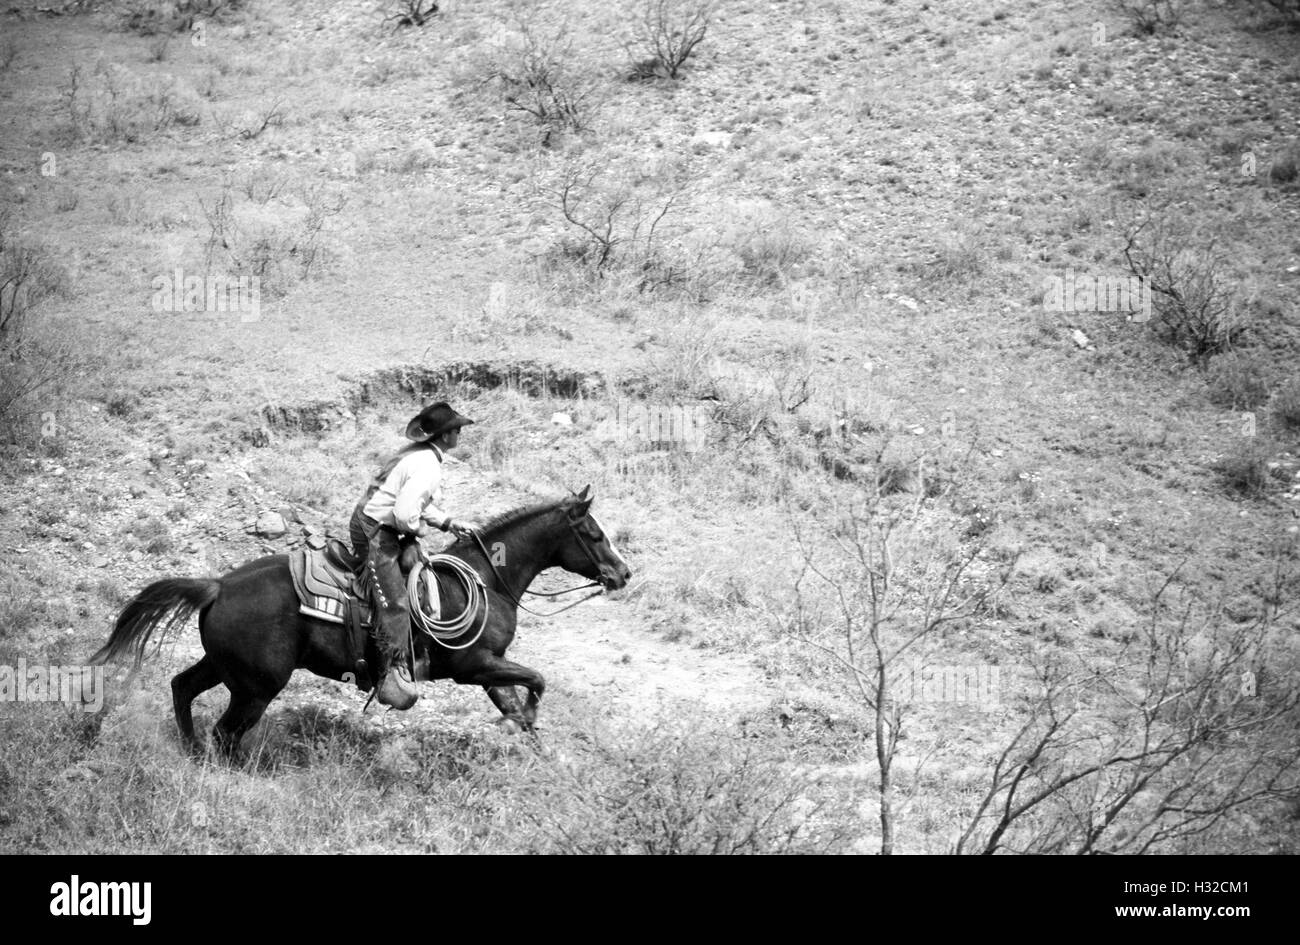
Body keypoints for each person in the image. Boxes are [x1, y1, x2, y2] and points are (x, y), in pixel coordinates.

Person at [349, 402, 481, 709]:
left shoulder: (418, 455)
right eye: (456, 429)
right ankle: (391, 671)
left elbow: (415, 501)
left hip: (376, 520)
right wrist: (417, 529)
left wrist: (448, 522)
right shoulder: (428, 465)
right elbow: (406, 512)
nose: (459, 433)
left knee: (414, 568)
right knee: (394, 600)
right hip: (373, 529)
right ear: (446, 436)